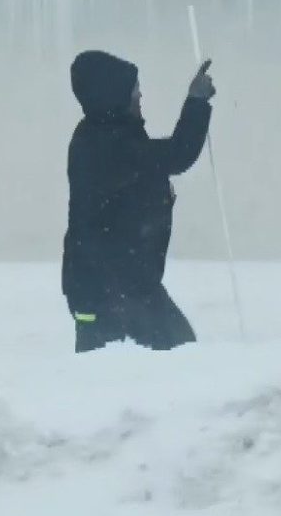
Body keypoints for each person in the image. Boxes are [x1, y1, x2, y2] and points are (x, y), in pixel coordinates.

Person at [62, 50, 216, 353]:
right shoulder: (107, 143)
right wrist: (197, 102)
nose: (140, 94)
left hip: (111, 283)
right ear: (114, 95)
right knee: (177, 355)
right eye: (134, 89)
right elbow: (177, 154)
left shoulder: (101, 136)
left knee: (174, 352)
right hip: (112, 288)